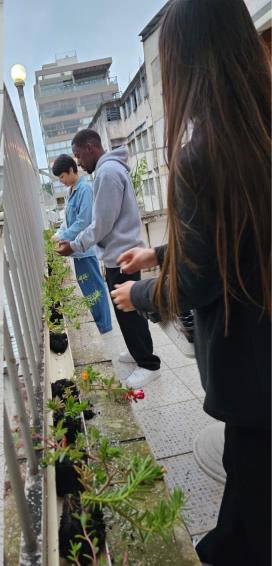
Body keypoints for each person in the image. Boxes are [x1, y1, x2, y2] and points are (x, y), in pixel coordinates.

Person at [110, 1, 270, 563]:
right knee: (249, 475)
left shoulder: (204, 151)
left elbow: (203, 280)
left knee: (252, 467)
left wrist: (142, 294)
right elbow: (241, 235)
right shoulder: (256, 127)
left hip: (253, 364)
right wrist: (156, 252)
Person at [56, 129, 161, 388]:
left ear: (91, 148)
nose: (79, 162)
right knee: (125, 310)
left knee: (130, 312)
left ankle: (149, 364)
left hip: (123, 254)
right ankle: (138, 352)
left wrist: (75, 245)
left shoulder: (107, 173)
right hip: (118, 254)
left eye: (79, 155)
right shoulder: (107, 171)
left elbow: (101, 223)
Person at [50, 154, 112, 335]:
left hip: (86, 248)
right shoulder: (71, 191)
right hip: (77, 249)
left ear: (71, 170)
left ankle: (104, 325)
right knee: (88, 289)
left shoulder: (85, 189)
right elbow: (67, 221)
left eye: (62, 176)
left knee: (95, 288)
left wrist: (65, 237)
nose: (61, 181)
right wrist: (58, 234)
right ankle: (99, 323)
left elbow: (83, 221)